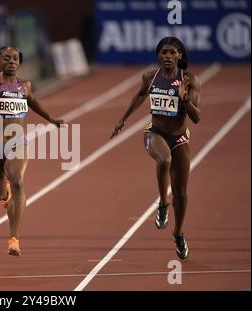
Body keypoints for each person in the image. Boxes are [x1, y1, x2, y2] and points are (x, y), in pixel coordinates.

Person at [110, 37, 201, 260]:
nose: (167, 57)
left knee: (181, 192)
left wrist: (185, 100)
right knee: (164, 160)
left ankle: (178, 233)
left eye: (172, 53)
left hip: (179, 138)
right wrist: (122, 119)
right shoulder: (151, 77)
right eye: (163, 53)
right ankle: (162, 203)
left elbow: (196, 118)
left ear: (180, 55)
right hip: (155, 133)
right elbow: (140, 96)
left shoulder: (188, 79)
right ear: (158, 55)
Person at [0, 46, 64, 256]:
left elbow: (34, 103)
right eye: (7, 58)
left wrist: (52, 120)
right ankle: (5, 192)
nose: (12, 62)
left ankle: (14, 239)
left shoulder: (25, 86)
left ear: (20, 63)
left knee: (18, 180)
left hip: (17, 144)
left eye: (15, 59)